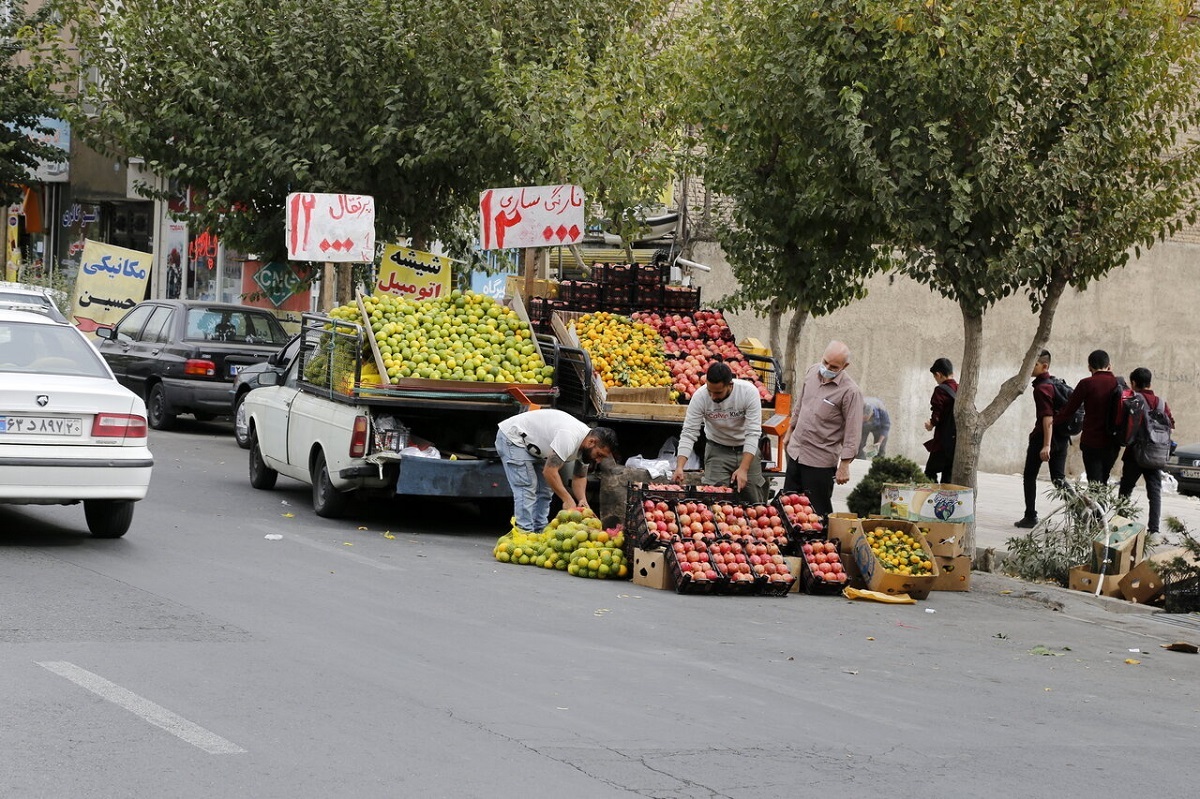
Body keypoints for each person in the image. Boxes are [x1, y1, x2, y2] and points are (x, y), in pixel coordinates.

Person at [495, 409, 617, 534]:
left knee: (546, 490)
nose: (598, 460)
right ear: (592, 442)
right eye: (599, 455)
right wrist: (567, 499)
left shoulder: (587, 446)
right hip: (514, 438)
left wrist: (582, 499)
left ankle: (539, 531)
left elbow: (579, 476)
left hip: (537, 446)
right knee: (526, 487)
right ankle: (523, 533)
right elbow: (550, 472)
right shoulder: (569, 437)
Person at [783, 340, 863, 522]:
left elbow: (853, 431)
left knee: (816, 514)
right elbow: (800, 403)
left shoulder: (850, 392)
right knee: (788, 506)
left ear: (845, 366)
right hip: (796, 452)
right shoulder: (812, 371)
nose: (827, 367)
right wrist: (790, 430)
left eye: (834, 366)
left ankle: (819, 547)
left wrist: (845, 465)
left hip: (820, 461)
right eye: (825, 362)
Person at [671, 362, 765, 502]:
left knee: (753, 500)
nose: (713, 397)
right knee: (712, 499)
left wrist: (744, 468)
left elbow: (753, 433)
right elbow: (689, 432)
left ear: (730, 385)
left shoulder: (748, 392)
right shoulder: (700, 397)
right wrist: (680, 466)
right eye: (710, 391)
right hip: (717, 449)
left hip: (746, 449)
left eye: (718, 392)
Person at [1014, 350, 1069, 528]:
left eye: (1034, 364)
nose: (1030, 366)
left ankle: (1030, 516)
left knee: (1029, 476)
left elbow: (1047, 417)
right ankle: (1082, 510)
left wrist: (1046, 445)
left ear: (1044, 366)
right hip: (1062, 439)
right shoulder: (1055, 383)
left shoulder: (1042, 388)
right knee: (1059, 480)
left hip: (1043, 439)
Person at [1116, 367, 1175, 534]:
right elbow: (1171, 426)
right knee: (1154, 493)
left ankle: (1120, 527)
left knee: (1126, 490)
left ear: (1134, 383)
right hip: (1156, 455)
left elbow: (1127, 425)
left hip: (1135, 454)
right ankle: (1154, 530)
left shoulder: (1135, 399)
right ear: (1150, 382)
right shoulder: (1162, 403)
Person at [1052, 349, 1124, 484]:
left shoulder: (1086, 384)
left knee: (1094, 482)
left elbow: (1069, 410)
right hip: (1113, 442)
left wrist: (1052, 423)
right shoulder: (1119, 384)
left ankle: (1097, 505)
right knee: (1103, 481)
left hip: (1092, 441)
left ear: (1089, 367)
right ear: (1109, 365)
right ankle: (1102, 504)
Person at [923, 357, 958, 483]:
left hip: (943, 441)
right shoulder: (960, 389)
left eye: (935, 377)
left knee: (929, 473)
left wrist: (931, 424)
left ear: (938, 374)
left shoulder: (940, 390)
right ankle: (945, 502)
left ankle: (931, 500)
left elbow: (937, 413)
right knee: (948, 476)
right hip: (956, 442)